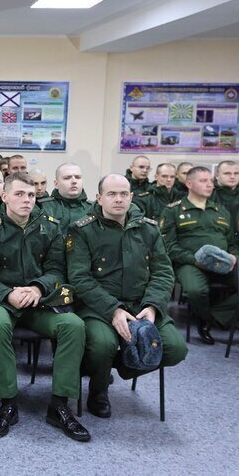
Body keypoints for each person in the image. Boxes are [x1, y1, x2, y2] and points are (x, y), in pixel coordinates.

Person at [0, 172, 89, 442]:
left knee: (73, 325)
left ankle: (59, 405)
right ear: (5, 197)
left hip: (40, 301)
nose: (27, 200)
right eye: (19, 194)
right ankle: (8, 403)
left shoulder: (50, 227)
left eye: (30, 195)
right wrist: (6, 294)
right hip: (2, 301)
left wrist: (38, 288)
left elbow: (57, 269)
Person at [66, 174, 188, 418]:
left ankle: (124, 365)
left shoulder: (149, 229)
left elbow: (164, 273)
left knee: (175, 349)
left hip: (142, 306)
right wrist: (113, 310)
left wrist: (153, 306)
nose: (118, 199)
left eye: (124, 194)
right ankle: (98, 390)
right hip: (99, 307)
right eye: (111, 194)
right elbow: (79, 278)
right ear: (99, 198)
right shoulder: (82, 230)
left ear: (131, 197)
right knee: (102, 346)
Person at [160, 166, 238, 344]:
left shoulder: (221, 210)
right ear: (189, 183)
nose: (209, 185)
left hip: (223, 262)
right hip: (190, 263)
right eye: (203, 181)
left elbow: (232, 242)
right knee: (195, 291)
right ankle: (205, 320)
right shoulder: (173, 211)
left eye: (210, 181)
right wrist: (194, 260)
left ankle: (213, 318)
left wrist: (233, 256)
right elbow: (168, 247)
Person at [38, 163, 93, 235]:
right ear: (56, 184)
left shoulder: (93, 208)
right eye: (67, 178)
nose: (74, 181)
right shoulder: (42, 207)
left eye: (78, 177)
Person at [212, 160, 239, 225]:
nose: (232, 177)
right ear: (217, 176)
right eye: (227, 173)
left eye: (236, 173)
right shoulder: (207, 193)